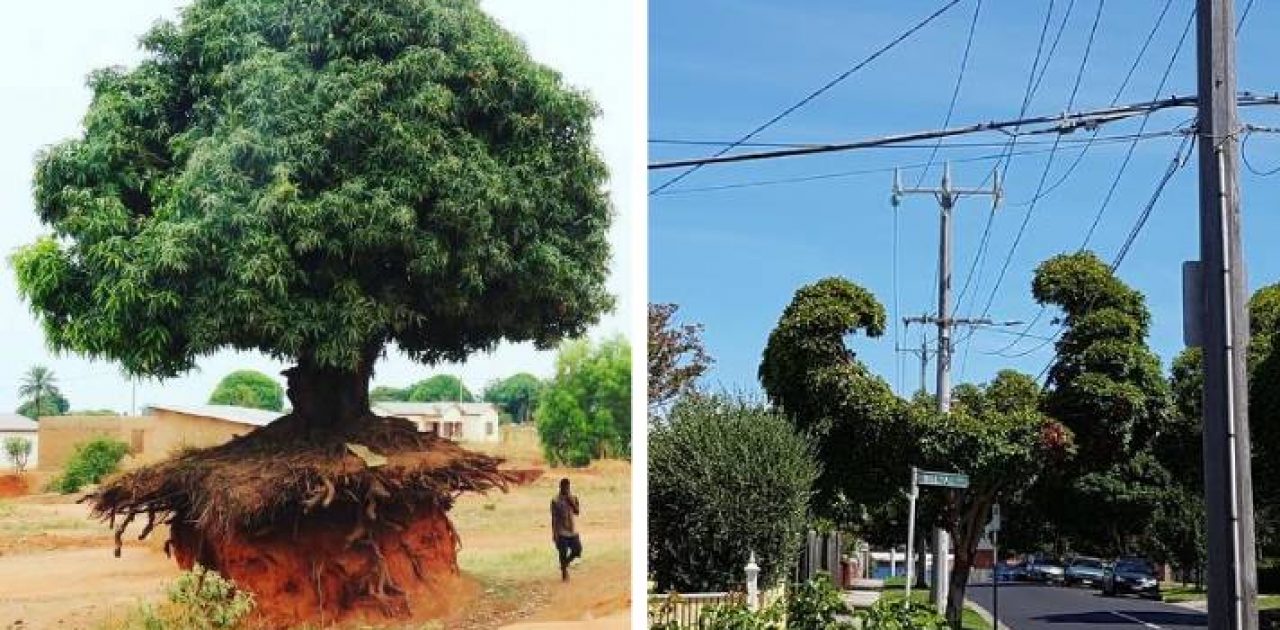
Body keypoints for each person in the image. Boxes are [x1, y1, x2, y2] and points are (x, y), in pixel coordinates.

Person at [551, 477, 582, 581]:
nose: (566, 489)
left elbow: (577, 512)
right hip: (561, 531)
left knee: (577, 550)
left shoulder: (574, 497)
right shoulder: (555, 501)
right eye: (564, 487)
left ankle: (565, 564)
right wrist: (554, 534)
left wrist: (571, 501)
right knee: (562, 553)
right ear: (560, 487)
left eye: (568, 487)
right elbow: (554, 519)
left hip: (573, 530)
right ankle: (564, 572)